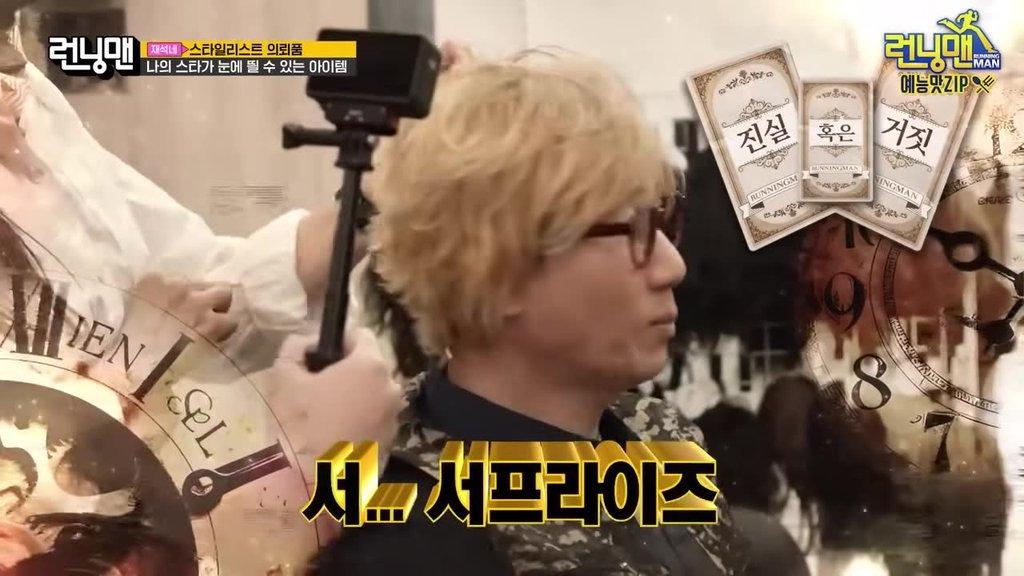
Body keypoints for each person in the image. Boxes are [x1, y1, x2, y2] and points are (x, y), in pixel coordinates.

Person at [307, 49, 750, 575]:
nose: (672, 266)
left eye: (663, 224)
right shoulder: (405, 524)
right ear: (500, 268)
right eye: (632, 230)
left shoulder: (660, 437)